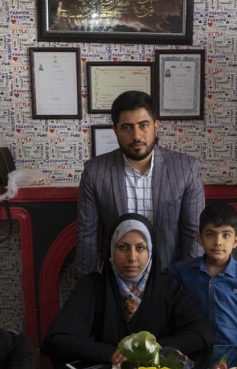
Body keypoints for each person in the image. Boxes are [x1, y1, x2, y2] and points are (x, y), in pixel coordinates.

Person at [44, 213, 211, 369]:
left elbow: (201, 332)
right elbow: (57, 340)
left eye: (140, 248)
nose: (132, 257)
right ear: (111, 250)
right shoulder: (92, 286)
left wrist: (151, 350)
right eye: (123, 247)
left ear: (150, 251)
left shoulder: (167, 286)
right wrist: (111, 354)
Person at [74, 90, 205, 279]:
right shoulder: (95, 172)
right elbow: (87, 234)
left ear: (156, 126)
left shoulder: (186, 169)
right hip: (117, 279)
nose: (136, 135)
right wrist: (87, 287)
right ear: (115, 130)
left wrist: (188, 285)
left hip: (170, 277)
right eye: (127, 127)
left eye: (143, 125)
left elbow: (194, 235)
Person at [167, 203, 237, 369]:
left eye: (226, 235)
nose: (218, 242)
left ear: (236, 241)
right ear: (199, 239)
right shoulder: (183, 272)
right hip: (193, 368)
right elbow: (158, 281)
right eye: (211, 234)